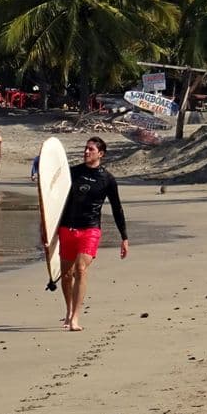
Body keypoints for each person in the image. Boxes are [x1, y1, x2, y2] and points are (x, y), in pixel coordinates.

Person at [57, 136, 129, 332]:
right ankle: (69, 310)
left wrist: (124, 237)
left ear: (101, 154)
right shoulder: (73, 173)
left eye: (91, 149)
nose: (86, 152)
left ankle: (75, 318)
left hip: (90, 229)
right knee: (66, 275)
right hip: (67, 228)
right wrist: (47, 228)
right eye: (85, 149)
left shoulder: (107, 179)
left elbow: (117, 208)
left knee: (80, 269)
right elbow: (54, 198)